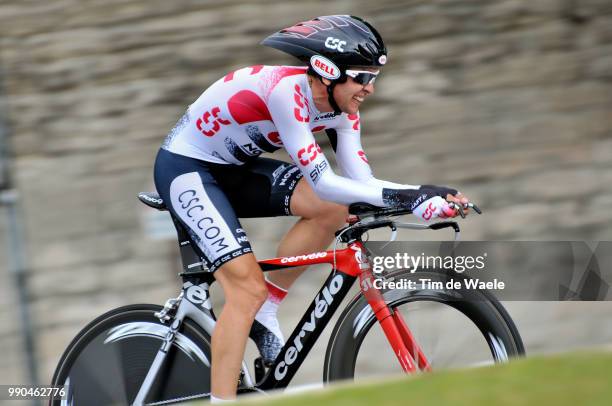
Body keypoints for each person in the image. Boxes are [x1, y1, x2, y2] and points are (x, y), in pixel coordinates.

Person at [153, 15, 470, 402]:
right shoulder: (287, 92)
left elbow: (361, 183)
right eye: (363, 77)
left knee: (333, 211)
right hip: (188, 169)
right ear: (327, 71)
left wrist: (423, 195)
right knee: (244, 289)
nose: (369, 89)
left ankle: (267, 309)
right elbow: (323, 181)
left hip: (235, 168)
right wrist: (411, 198)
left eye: (374, 78)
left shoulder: (344, 110)